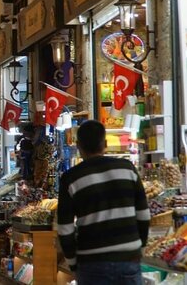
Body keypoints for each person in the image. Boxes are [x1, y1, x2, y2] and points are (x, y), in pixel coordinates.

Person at [58, 120, 149, 284]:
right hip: (128, 259)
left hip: (91, 262)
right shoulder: (127, 169)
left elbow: (65, 229)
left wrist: (72, 264)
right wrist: (139, 249)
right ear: (105, 143)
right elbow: (143, 215)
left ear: (78, 146)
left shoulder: (70, 178)